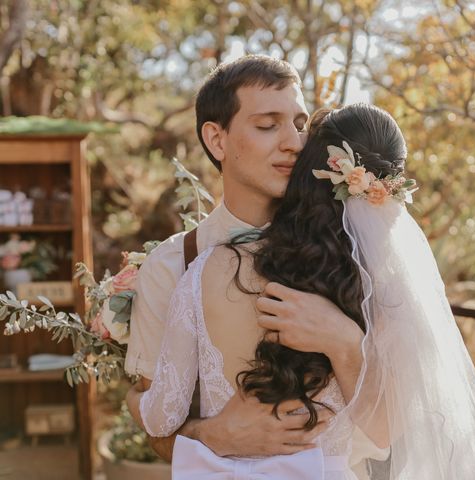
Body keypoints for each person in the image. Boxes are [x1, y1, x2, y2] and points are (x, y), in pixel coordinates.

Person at [134, 103, 475, 479]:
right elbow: (383, 432)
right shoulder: (382, 294)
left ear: (305, 169)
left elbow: (161, 418)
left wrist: (133, 401)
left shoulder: (210, 269)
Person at [124, 55, 386, 477]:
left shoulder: (356, 255)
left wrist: (343, 340)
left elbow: (385, 433)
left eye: (300, 124)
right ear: (217, 140)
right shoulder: (171, 265)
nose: (295, 143)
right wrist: (217, 436)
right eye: (268, 125)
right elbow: (158, 429)